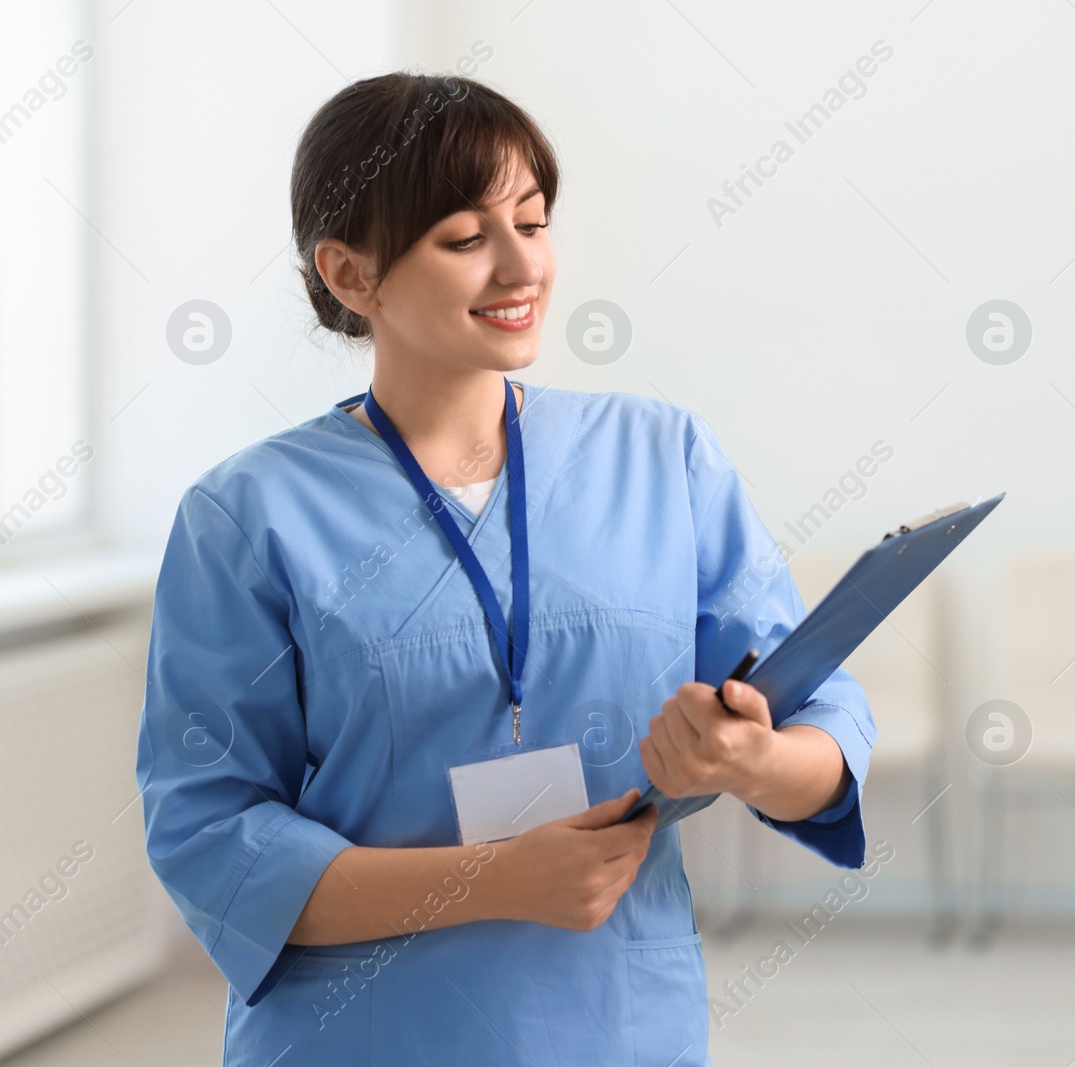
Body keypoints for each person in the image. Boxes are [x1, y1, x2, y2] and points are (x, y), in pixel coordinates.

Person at [134, 71, 875, 1065]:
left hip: (618, 1024)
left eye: (533, 219)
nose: (522, 265)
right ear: (352, 275)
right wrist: (490, 877)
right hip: (368, 1033)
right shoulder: (249, 515)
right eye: (465, 238)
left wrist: (749, 759)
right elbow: (210, 828)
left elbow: (820, 726)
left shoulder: (661, 459)